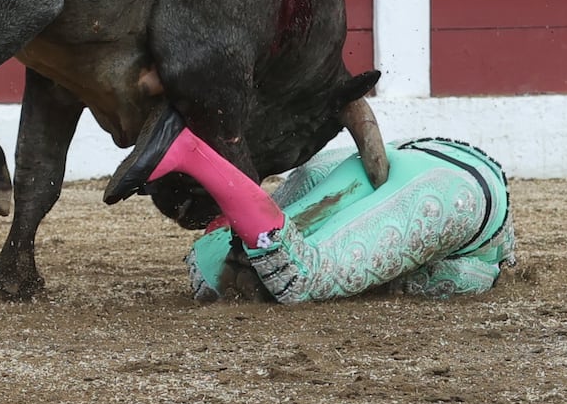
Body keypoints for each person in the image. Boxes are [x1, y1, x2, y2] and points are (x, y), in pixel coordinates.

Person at [109, 128, 516, 303]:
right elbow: (454, 279)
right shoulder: (487, 266)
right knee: (300, 279)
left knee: (209, 274)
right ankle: (191, 153)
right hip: (453, 193)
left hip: (391, 155)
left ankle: (206, 168)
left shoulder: (491, 250)